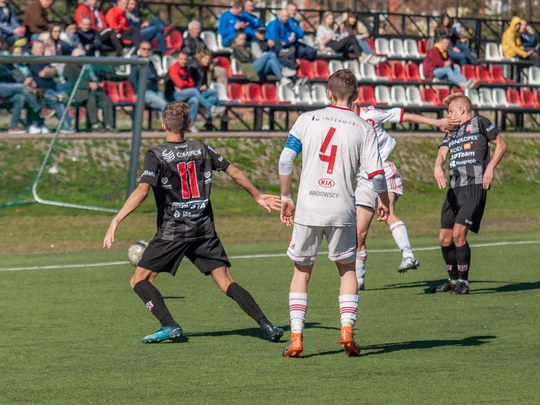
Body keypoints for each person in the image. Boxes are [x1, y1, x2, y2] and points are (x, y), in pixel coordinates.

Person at [103, 101, 284, 344]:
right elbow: (235, 172)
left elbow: (142, 191)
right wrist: (258, 196)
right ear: (188, 125)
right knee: (226, 281)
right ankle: (267, 325)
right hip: (203, 229)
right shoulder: (201, 149)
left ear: (162, 124)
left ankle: (168, 324)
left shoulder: (156, 154)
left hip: (173, 231)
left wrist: (116, 220)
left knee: (139, 280)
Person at [278, 69, 390, 358]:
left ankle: (296, 337)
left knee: (302, 271)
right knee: (347, 269)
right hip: (342, 208)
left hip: (308, 207)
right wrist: (383, 200)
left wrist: (286, 197)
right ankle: (346, 331)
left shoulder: (307, 119)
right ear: (355, 97)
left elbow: (285, 159)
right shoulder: (363, 127)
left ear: (328, 93)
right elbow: (377, 174)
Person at [354, 106, 459, 290]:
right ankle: (358, 281)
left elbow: (404, 116)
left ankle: (408, 255)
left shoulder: (370, 113)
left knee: (387, 213)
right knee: (358, 233)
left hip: (383, 169)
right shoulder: (340, 119)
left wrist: (435, 122)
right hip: (364, 178)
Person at [432, 94, 506, 295]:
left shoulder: (480, 122)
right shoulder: (452, 131)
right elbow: (442, 153)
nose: (448, 116)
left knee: (458, 234)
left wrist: (490, 168)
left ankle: (463, 282)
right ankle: (453, 280)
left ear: (461, 110)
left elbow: (501, 144)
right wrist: (438, 166)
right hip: (454, 189)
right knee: (444, 238)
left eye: (450, 112)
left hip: (474, 186)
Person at [169, 52, 225, 131]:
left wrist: (185, 85)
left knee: (195, 100)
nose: (184, 61)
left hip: (185, 92)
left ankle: (192, 125)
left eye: (185, 59)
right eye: (181, 59)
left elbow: (190, 83)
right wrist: (186, 84)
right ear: (177, 59)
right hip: (174, 94)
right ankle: (211, 108)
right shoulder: (174, 68)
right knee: (194, 91)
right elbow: (180, 84)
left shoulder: (186, 68)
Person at [64, 48, 116, 132]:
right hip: (79, 92)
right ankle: (95, 124)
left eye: (82, 57)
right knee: (90, 99)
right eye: (78, 57)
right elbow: (72, 82)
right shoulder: (69, 67)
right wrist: (88, 85)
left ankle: (109, 125)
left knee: (106, 100)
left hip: (93, 91)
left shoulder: (87, 66)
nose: (80, 59)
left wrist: (97, 84)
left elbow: (94, 78)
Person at [28, 41, 74, 134]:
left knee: (69, 84)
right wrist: (48, 71)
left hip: (55, 87)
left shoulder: (44, 60)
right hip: (44, 90)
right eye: (39, 48)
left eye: (43, 48)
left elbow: (55, 71)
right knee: (59, 102)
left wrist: (48, 71)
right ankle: (66, 127)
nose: (42, 50)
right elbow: (42, 74)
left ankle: (61, 95)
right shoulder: (32, 60)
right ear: (33, 49)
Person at [182, 21, 228, 86]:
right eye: (195, 29)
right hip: (194, 66)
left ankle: (221, 93)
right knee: (205, 70)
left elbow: (208, 53)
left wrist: (211, 63)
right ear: (189, 30)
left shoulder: (201, 41)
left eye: (198, 29)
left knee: (221, 71)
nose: (197, 31)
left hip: (206, 64)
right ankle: (206, 90)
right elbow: (188, 57)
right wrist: (201, 63)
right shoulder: (186, 41)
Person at [131, 41, 167, 113]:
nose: (146, 51)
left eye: (148, 49)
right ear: (140, 50)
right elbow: (132, 78)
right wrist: (136, 93)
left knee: (163, 107)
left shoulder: (150, 62)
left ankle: (165, 123)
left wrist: (160, 80)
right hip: (144, 92)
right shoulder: (137, 62)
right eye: (144, 49)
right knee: (165, 106)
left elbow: (155, 76)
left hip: (155, 90)